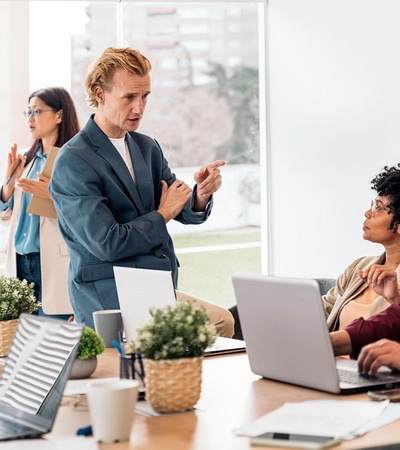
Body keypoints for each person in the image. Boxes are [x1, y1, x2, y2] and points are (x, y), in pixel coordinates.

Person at [49, 47, 234, 336]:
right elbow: (108, 243)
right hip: (109, 295)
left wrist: (201, 194)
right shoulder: (74, 160)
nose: (139, 108)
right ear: (100, 94)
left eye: (145, 96)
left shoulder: (147, 147)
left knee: (220, 323)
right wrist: (163, 214)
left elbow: (180, 207)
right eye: (129, 97)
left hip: (155, 286)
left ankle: (177, 380)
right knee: (219, 322)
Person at [230, 164, 400, 339]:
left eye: (377, 208)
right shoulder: (360, 266)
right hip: (326, 363)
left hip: (370, 366)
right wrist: (268, 311)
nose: (367, 213)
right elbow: (320, 311)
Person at [0, 87, 80, 317]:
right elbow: (5, 216)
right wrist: (8, 185)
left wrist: (52, 194)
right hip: (20, 263)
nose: (30, 119)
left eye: (37, 111)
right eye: (27, 113)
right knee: (27, 340)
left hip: (52, 263)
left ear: (59, 115)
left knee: (54, 337)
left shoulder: (73, 160)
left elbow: (83, 215)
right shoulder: (25, 159)